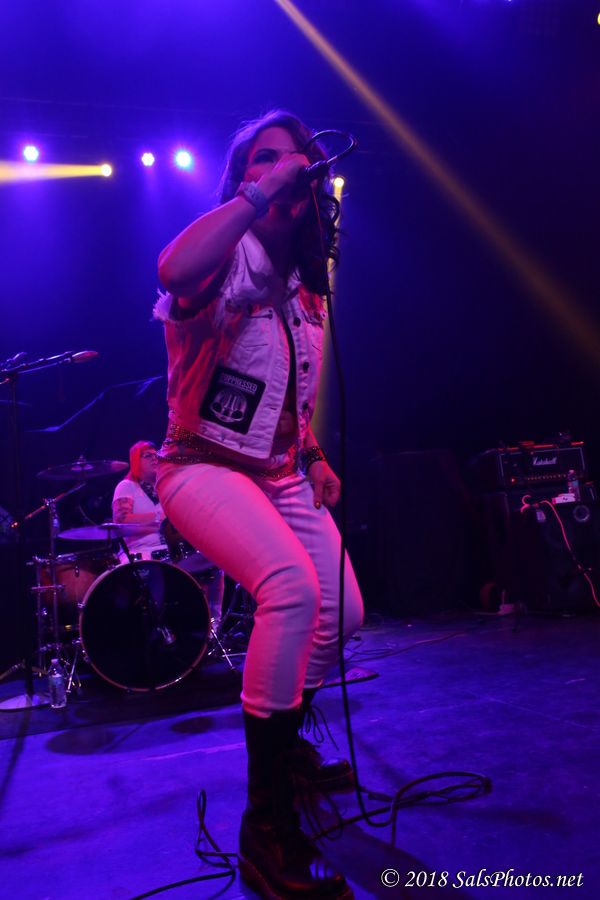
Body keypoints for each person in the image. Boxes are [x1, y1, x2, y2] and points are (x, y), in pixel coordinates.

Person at [155, 110, 364, 899]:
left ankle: (284, 755)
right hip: (199, 464)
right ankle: (265, 826)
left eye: (298, 160)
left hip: (278, 472)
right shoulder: (222, 257)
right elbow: (172, 270)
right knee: (291, 589)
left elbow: (289, 391)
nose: (287, 167)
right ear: (243, 177)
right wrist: (256, 195)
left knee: (341, 612)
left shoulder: (307, 285)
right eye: (265, 158)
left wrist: (311, 455)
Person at [112, 441, 224, 627]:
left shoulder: (165, 487)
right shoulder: (127, 486)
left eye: (156, 454)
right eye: (147, 455)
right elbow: (122, 520)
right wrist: (159, 519)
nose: (154, 458)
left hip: (172, 550)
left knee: (215, 563)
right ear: (136, 461)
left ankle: (212, 627)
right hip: (141, 553)